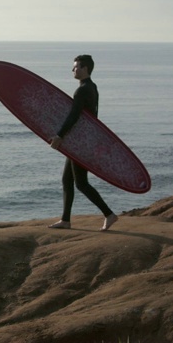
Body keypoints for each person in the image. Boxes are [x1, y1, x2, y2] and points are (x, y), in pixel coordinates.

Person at [48, 54, 118, 231]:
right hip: (82, 141)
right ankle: (65, 220)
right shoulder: (92, 87)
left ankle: (109, 215)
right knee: (66, 180)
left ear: (85, 68)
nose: (73, 70)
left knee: (81, 183)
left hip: (80, 144)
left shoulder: (82, 90)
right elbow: (94, 117)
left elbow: (74, 116)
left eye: (76, 67)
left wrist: (59, 135)